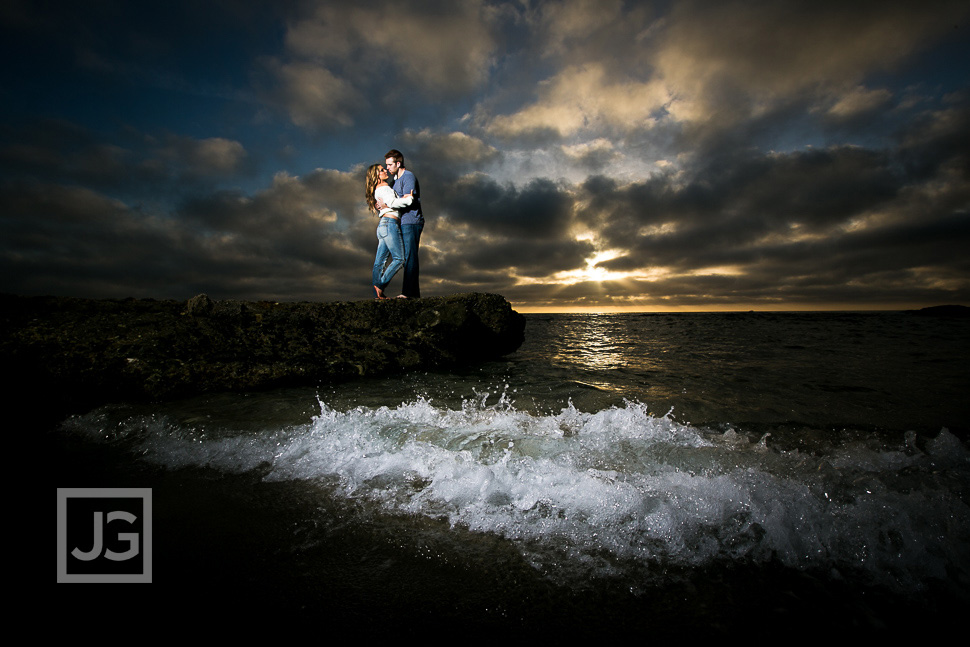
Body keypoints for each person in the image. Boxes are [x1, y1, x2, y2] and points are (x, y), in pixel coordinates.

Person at [365, 163, 413, 299]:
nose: (385, 170)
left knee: (379, 262)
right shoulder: (384, 188)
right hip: (390, 225)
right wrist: (408, 199)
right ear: (376, 176)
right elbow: (392, 203)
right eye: (381, 170)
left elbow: (389, 202)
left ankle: (377, 294)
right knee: (400, 259)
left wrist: (397, 200)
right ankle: (380, 285)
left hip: (383, 226)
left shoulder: (378, 189)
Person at [381, 149, 423, 298]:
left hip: (411, 221)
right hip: (401, 223)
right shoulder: (394, 182)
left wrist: (389, 204)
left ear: (398, 164)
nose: (387, 168)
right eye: (386, 165)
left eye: (390, 165)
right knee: (404, 258)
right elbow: (393, 201)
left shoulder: (408, 176)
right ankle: (413, 294)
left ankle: (409, 293)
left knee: (410, 257)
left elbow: (407, 201)